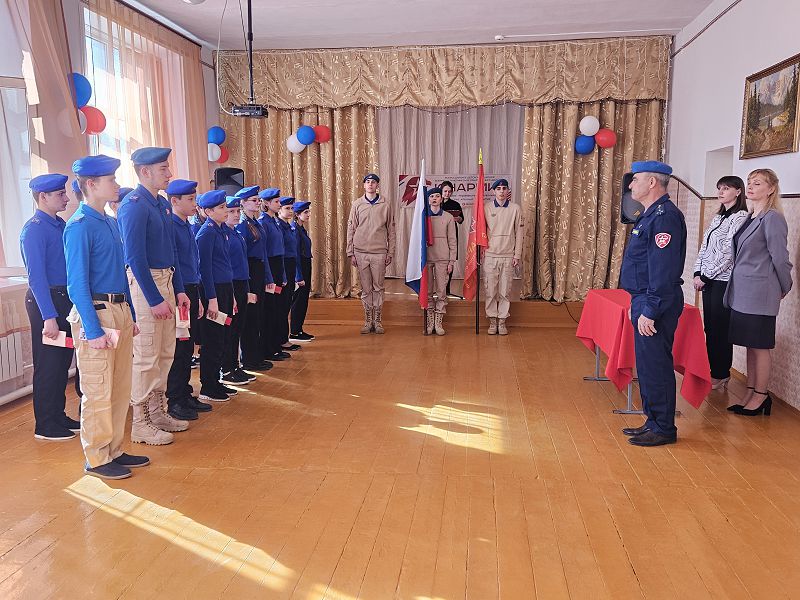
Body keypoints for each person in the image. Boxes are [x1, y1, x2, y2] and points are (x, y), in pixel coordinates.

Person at [65, 154, 147, 480]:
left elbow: (120, 273)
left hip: (119, 310)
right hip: (97, 314)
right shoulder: (79, 226)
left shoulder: (110, 222)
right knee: (98, 390)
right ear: (91, 184)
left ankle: (114, 448)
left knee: (120, 387)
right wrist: (93, 328)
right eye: (110, 179)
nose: (116, 184)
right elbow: (77, 284)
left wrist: (132, 314)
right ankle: (97, 457)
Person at [619, 160, 687, 447]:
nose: (630, 184)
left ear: (651, 183)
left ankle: (663, 428)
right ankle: (653, 420)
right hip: (644, 298)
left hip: (655, 300)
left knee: (656, 365)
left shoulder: (664, 217)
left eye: (636, 180)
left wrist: (650, 309)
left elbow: (662, 269)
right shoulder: (649, 215)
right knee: (647, 366)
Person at [724, 168, 793, 416]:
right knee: (750, 344)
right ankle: (751, 392)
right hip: (743, 293)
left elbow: (780, 258)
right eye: (749, 182)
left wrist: (784, 286)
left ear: (771, 189)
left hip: (761, 292)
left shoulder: (773, 218)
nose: (751, 187)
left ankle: (761, 396)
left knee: (760, 345)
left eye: (758, 183)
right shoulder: (752, 217)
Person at [20, 173, 80, 441]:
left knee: (62, 362)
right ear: (43, 197)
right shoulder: (34, 229)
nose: (66, 198)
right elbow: (36, 278)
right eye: (60, 194)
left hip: (62, 299)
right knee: (48, 363)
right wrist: (49, 317)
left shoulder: (58, 224)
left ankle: (58, 414)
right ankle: (45, 424)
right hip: (47, 301)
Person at [692, 176, 749, 392]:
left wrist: (706, 276)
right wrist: (697, 271)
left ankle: (721, 373)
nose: (721, 192)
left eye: (726, 188)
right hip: (707, 279)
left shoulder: (740, 217)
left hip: (722, 281)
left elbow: (728, 253)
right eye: (719, 188)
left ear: (738, 191)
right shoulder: (719, 217)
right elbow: (705, 246)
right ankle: (714, 370)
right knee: (711, 327)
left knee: (719, 329)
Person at [165, 179, 212, 421]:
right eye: (191, 199)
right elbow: (175, 266)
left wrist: (199, 298)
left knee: (188, 345)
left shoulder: (186, 225)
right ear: (175, 201)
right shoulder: (171, 227)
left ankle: (184, 393)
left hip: (192, 290)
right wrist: (181, 292)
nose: (195, 204)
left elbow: (194, 264)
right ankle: (175, 399)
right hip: (180, 292)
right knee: (179, 348)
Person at [195, 190, 238, 402]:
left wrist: (232, 296)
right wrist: (212, 299)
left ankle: (216, 380)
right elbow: (204, 270)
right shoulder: (207, 233)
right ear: (208, 211)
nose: (225, 210)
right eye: (221, 208)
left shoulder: (221, 231)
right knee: (213, 339)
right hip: (214, 292)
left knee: (223, 337)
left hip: (225, 289)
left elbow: (225, 265)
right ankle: (208, 386)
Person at [346, 173, 396, 334]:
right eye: (367, 182)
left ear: (377, 185)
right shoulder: (357, 204)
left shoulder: (385, 204)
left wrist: (390, 252)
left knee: (378, 287)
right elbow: (351, 228)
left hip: (379, 252)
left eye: (373, 182)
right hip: (360, 252)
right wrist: (351, 252)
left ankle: (378, 321)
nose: (370, 184)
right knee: (366, 288)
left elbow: (391, 230)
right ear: (364, 185)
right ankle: (368, 320)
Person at [235, 185, 274, 371]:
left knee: (258, 315)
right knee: (250, 317)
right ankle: (249, 358)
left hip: (258, 269)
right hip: (249, 270)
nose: (258, 203)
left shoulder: (255, 222)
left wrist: (267, 276)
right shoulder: (242, 225)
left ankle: (256, 355)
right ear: (243, 203)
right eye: (254, 200)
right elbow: (243, 255)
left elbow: (263, 252)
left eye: (258, 200)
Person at [220, 195, 257, 386]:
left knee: (238, 327)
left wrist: (247, 288)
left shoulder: (236, 233)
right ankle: (227, 368)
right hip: (231, 284)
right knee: (230, 329)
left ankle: (235, 366)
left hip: (242, 283)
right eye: (231, 211)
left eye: (237, 211)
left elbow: (243, 264)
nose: (235, 215)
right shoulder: (223, 234)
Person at [483, 178, 523, 335]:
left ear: (508, 191)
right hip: (490, 255)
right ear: (494, 191)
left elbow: (519, 233)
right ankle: (492, 320)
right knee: (490, 290)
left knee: (505, 291)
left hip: (508, 255)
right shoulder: (486, 208)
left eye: (504, 188)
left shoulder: (515, 208)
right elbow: (481, 232)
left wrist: (517, 255)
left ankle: (502, 321)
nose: (501, 191)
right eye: (498, 188)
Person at [258, 187, 291, 363]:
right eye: (276, 202)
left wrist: (283, 275)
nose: (279, 204)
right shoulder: (263, 222)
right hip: (270, 265)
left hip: (278, 265)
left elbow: (281, 251)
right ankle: (269, 348)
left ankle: (277, 345)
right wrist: (269, 277)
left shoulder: (275, 221)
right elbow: (265, 251)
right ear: (266, 203)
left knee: (279, 308)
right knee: (270, 310)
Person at [424, 188, 457, 335]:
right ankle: (430, 320)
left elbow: (452, 240)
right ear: (428, 199)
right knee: (428, 291)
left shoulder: (448, 217)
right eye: (431, 196)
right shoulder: (423, 216)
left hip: (443, 258)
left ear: (441, 198)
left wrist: (451, 261)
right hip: (427, 259)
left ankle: (438, 322)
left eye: (437, 196)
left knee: (441, 291)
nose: (434, 198)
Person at [277, 197, 304, 352]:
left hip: (291, 265)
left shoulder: (287, 226)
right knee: (282, 307)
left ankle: (284, 338)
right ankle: (282, 340)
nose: (290, 211)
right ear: (279, 210)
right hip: (284, 265)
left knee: (286, 304)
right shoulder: (279, 226)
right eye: (287, 208)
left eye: (291, 208)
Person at [290, 200, 315, 342]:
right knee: (298, 300)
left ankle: (299, 329)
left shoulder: (301, 229)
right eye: (306, 212)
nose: (308, 214)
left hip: (306, 264)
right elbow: (296, 255)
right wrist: (298, 276)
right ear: (297, 214)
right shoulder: (295, 230)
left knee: (303, 299)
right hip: (300, 267)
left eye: (308, 211)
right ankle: (294, 331)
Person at [440, 181, 464, 299]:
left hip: (451, 235)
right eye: (445, 191)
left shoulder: (455, 204)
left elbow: (461, 219)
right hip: (439, 235)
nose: (447, 193)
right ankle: (439, 289)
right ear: (441, 191)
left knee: (450, 261)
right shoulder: (435, 202)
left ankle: (447, 288)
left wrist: (457, 218)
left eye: (449, 191)